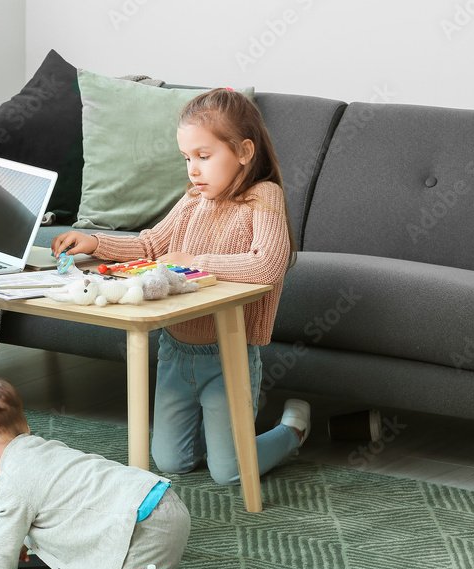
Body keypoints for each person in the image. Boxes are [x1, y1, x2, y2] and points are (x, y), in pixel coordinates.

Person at [51, 88, 310, 486]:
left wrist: (196, 263)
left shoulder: (264, 198)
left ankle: (291, 431)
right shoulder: (192, 200)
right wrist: (96, 242)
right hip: (176, 352)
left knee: (229, 472)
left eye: (204, 157)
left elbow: (268, 264)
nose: (193, 170)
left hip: (227, 355)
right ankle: (224, 432)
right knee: (172, 462)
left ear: (244, 151)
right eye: (187, 158)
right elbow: (151, 245)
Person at [0, 376, 269, 569]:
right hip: (154, 499)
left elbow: (4, 539)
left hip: (145, 522)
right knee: (82, 528)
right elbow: (64, 518)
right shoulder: (42, 448)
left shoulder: (13, 481)